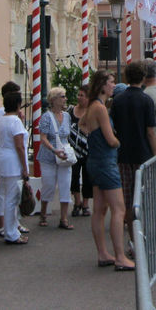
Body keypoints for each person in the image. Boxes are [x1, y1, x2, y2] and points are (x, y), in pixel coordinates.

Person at [80, 69, 133, 271]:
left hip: (94, 160)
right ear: (103, 85)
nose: (113, 85)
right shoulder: (100, 108)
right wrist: (120, 142)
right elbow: (111, 140)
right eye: (111, 82)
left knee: (100, 210)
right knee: (118, 209)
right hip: (106, 161)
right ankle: (120, 255)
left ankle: (103, 252)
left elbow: (82, 125)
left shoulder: (92, 107)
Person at [110, 61, 156, 247]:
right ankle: (142, 234)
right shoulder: (146, 100)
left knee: (127, 200)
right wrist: (154, 154)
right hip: (142, 154)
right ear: (143, 77)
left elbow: (113, 127)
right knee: (144, 197)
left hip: (122, 155)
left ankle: (132, 239)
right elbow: (150, 131)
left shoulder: (118, 100)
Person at [0, 91, 30, 244]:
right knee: (12, 199)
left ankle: (11, 228)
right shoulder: (15, 121)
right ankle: (11, 233)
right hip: (12, 162)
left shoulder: (1, 120)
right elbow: (19, 145)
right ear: (17, 104)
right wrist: (24, 167)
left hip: (2, 159)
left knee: (6, 194)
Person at [37, 87, 74, 229]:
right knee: (48, 185)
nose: (65, 99)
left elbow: (67, 135)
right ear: (54, 100)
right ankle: (43, 213)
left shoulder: (67, 116)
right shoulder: (46, 117)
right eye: (62, 97)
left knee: (65, 184)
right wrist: (54, 150)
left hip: (64, 156)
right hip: (48, 156)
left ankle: (64, 218)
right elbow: (43, 138)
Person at [68, 84, 92, 217]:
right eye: (78, 95)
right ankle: (77, 201)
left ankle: (86, 203)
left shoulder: (91, 112)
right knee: (74, 176)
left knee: (88, 177)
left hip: (88, 149)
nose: (79, 98)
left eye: (82, 95)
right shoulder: (71, 111)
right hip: (73, 150)